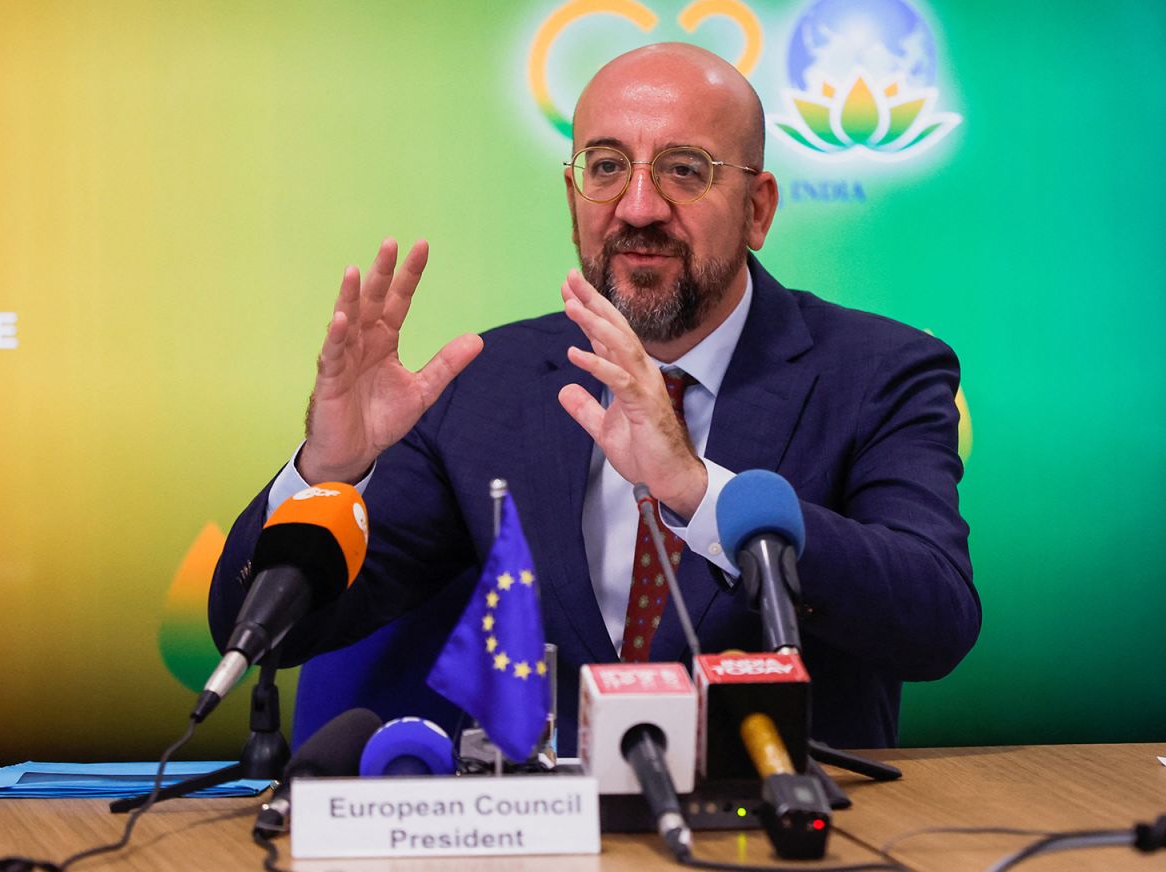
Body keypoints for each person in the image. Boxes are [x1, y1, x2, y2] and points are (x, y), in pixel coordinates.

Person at [209, 43, 978, 754]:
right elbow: (267, 631)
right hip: (560, 838)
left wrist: (698, 492)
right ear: (574, 193)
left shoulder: (878, 371)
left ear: (759, 208)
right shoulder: (488, 383)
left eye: (685, 169)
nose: (638, 206)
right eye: (606, 167)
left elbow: (935, 618)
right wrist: (329, 471)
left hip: (785, 824)